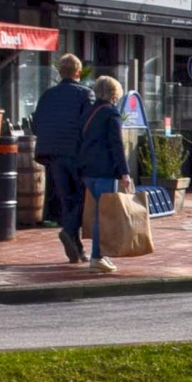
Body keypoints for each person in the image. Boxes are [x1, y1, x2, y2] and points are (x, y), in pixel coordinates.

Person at [31, 53, 90, 264]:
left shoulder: (47, 95)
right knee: (84, 197)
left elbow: (35, 125)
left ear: (60, 72)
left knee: (67, 200)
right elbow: (89, 126)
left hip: (52, 154)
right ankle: (69, 231)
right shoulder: (85, 94)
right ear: (78, 72)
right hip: (76, 153)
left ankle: (77, 248)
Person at [74, 72, 134, 272]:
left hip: (87, 170)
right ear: (114, 94)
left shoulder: (88, 112)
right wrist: (124, 173)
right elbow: (116, 144)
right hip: (104, 171)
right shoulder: (111, 113)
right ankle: (97, 257)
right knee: (104, 215)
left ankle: (100, 255)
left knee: (97, 213)